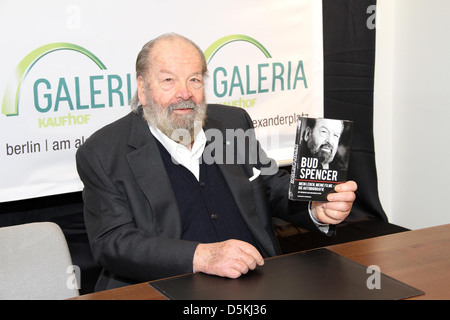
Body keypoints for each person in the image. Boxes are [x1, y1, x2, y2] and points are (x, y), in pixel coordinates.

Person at [76, 33, 357, 291]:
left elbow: (270, 185)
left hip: (258, 281)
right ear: (142, 87)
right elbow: (113, 243)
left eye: (194, 80)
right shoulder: (103, 152)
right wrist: (201, 256)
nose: (184, 93)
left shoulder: (232, 123)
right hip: (165, 288)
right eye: (168, 81)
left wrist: (314, 206)